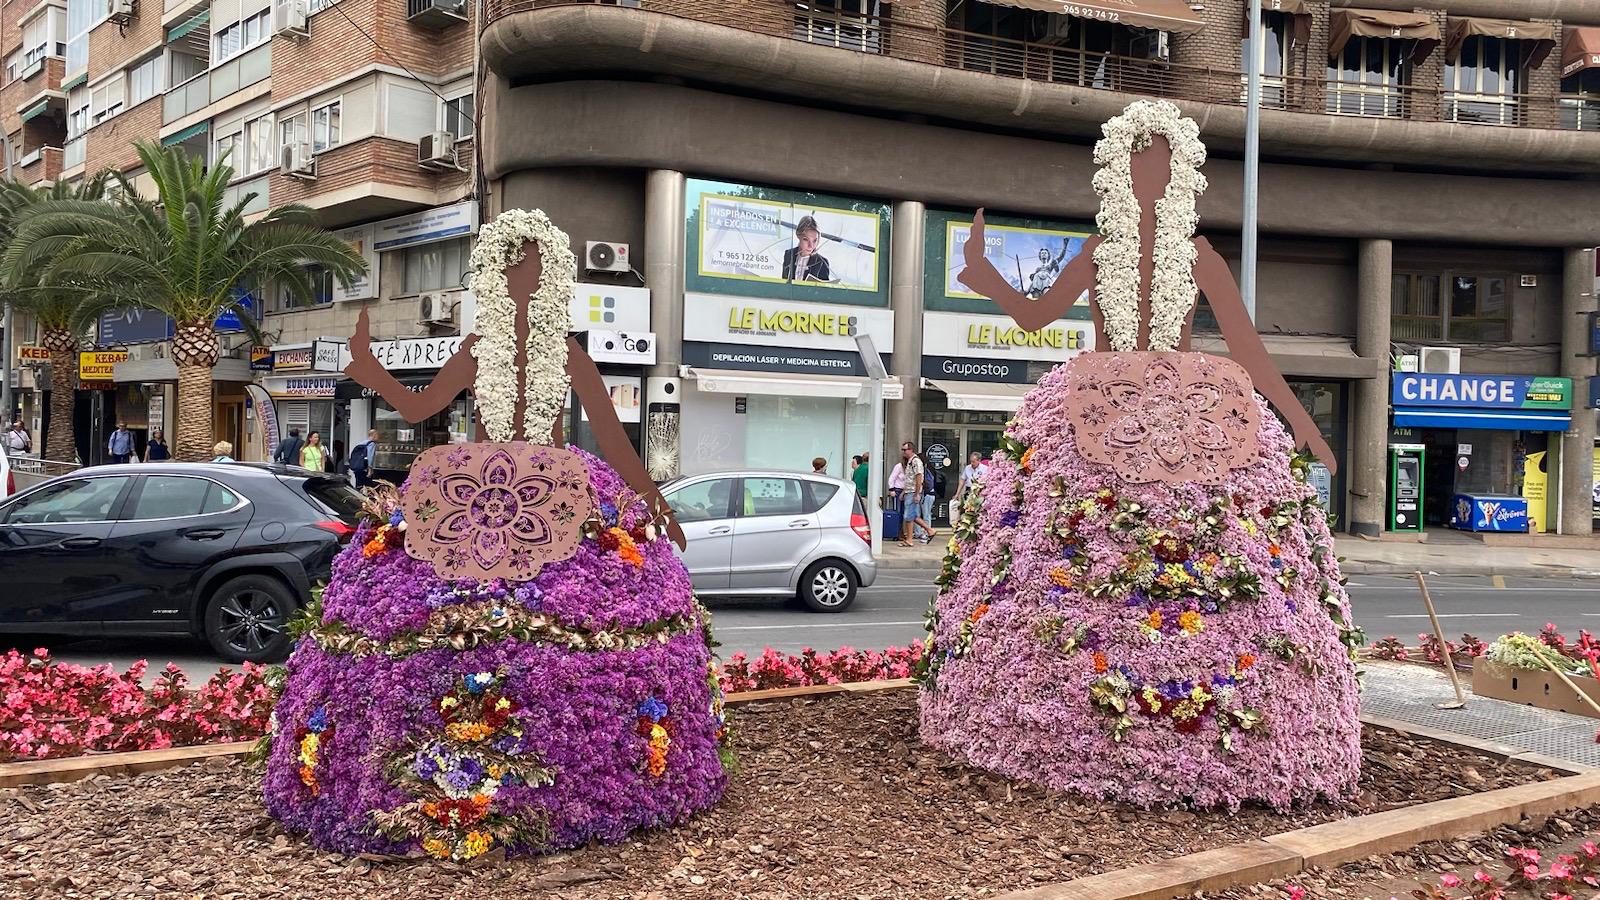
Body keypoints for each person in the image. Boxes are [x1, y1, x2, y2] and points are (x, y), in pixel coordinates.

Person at [898, 442, 935, 547]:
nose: (903, 452)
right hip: (909, 491)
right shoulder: (910, 461)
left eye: (905, 450)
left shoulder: (916, 461)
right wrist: (904, 492)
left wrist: (917, 493)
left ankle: (910, 539)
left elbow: (919, 477)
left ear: (911, 450)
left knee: (909, 516)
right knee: (912, 515)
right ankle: (929, 530)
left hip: (913, 492)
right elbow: (909, 479)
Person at [781, 215, 832, 283]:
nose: (811, 246)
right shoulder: (788, 254)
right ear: (798, 235)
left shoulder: (822, 262)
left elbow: (825, 290)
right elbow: (784, 281)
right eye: (806, 239)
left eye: (814, 240)